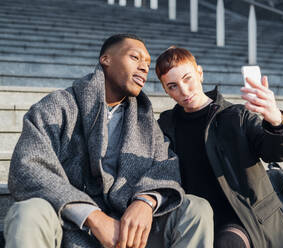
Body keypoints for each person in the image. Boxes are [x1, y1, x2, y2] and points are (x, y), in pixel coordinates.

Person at [4, 35, 214, 248]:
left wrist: (146, 201)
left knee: (195, 208)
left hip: (132, 234)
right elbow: (28, 167)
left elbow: (165, 166)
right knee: (28, 213)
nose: (144, 68)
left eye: (148, 64)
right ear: (106, 59)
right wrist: (92, 215)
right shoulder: (57, 107)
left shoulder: (145, 121)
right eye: (135, 57)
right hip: (69, 227)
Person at [156, 47, 283, 248]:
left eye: (188, 78)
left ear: (200, 73)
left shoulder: (236, 116)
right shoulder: (166, 125)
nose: (184, 90)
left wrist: (276, 119)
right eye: (172, 86)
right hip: (193, 218)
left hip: (244, 218)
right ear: (165, 90)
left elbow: (280, 152)